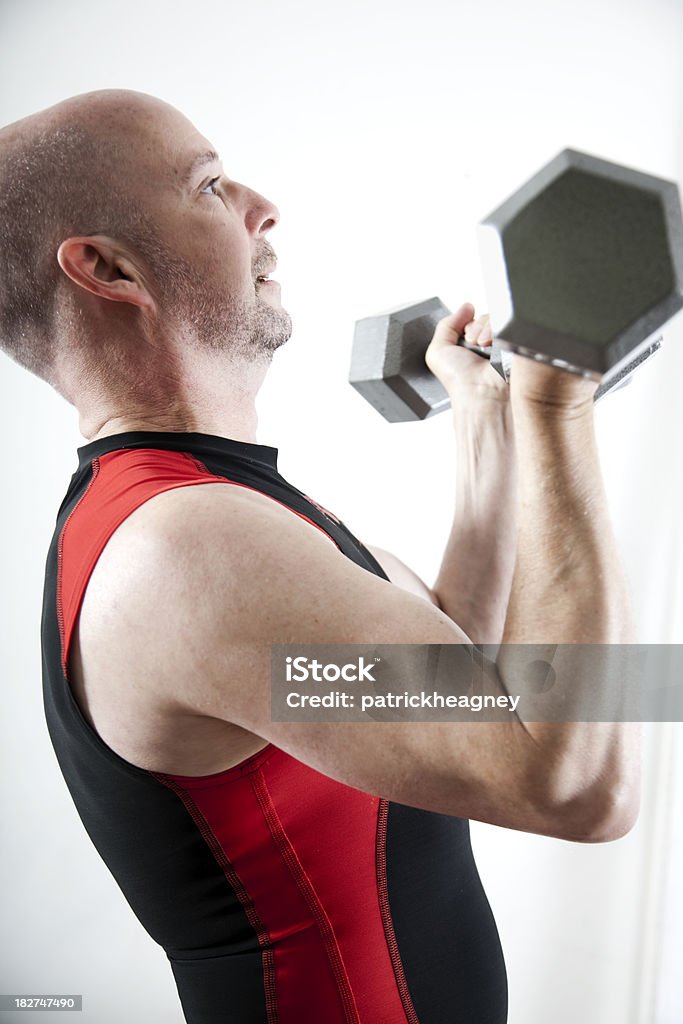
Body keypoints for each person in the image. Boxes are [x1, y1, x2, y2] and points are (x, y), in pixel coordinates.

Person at [0, 90, 640, 1024]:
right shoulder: (185, 551)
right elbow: (572, 784)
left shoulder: (209, 511)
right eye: (211, 185)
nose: (262, 208)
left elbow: (448, 669)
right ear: (106, 268)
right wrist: (556, 406)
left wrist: (489, 420)